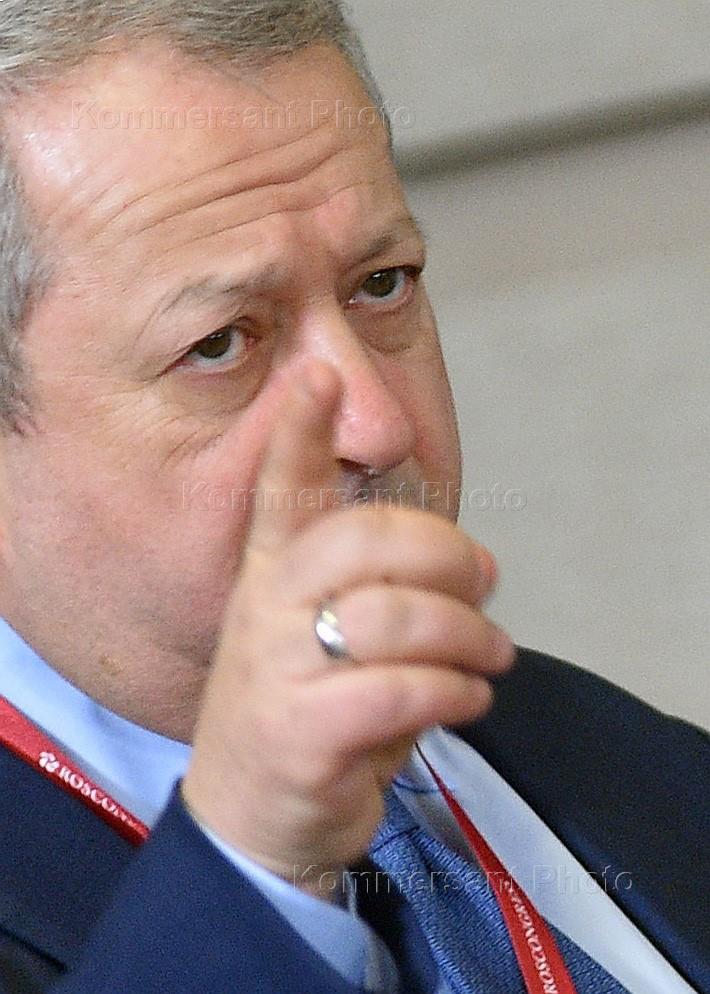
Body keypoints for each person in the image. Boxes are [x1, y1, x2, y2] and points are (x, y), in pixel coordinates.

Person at [0, 2, 707, 992]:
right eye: (219, 344)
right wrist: (252, 868)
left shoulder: (634, 765)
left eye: (381, 285)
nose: (377, 426)